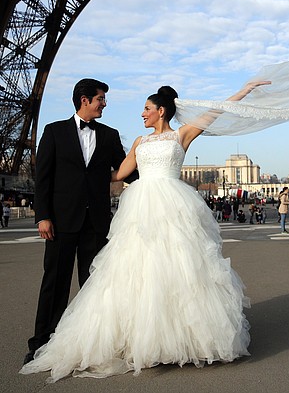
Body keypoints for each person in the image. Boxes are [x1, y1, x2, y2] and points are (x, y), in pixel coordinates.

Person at [20, 82, 266, 381]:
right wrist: (56, 201)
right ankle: (57, 339)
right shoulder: (136, 141)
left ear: (161, 110)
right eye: (101, 99)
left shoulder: (181, 134)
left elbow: (216, 112)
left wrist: (245, 90)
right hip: (130, 208)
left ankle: (173, 339)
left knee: (175, 272)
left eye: (147, 109)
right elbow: (116, 173)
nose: (142, 114)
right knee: (135, 274)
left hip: (171, 206)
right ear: (86, 100)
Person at [23, 78, 136, 367]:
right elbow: (43, 179)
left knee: (95, 286)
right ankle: (42, 342)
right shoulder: (54, 131)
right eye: (100, 99)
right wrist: (43, 216)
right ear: (84, 99)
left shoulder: (110, 135)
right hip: (60, 221)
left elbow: (126, 171)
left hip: (96, 222)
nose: (104, 104)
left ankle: (93, 345)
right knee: (54, 283)